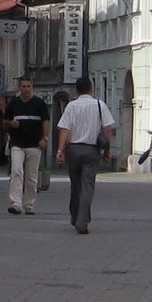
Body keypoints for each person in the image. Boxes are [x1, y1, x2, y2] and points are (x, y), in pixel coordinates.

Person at [55, 76, 115, 234]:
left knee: (75, 185)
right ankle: (82, 221)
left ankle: (75, 217)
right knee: (87, 186)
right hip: (91, 151)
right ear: (91, 89)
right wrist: (108, 150)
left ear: (76, 90)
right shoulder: (99, 105)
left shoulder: (71, 106)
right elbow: (107, 129)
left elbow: (64, 130)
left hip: (73, 150)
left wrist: (60, 151)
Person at [3, 77, 52, 215]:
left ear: (32, 87)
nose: (26, 89)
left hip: (34, 144)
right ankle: (16, 203)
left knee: (31, 176)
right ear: (19, 88)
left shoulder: (39, 104)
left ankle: (29, 204)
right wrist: (10, 124)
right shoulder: (13, 103)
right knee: (16, 171)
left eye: (28, 86)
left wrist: (44, 138)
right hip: (17, 144)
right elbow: (5, 121)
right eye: (23, 86)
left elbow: (46, 122)